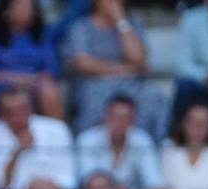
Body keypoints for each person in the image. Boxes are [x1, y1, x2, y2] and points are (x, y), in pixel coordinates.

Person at [61, 0, 162, 136]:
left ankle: (145, 146)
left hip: (130, 84)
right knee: (95, 97)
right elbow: (84, 64)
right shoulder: (81, 27)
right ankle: (90, 148)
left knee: (153, 96)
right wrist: (128, 69)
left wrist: (121, 22)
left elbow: (138, 58)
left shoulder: (133, 25)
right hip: (93, 84)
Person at [75, 93, 166, 189]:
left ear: (133, 121)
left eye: (125, 118)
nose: (119, 122)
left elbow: (155, 182)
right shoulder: (87, 139)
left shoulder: (142, 140)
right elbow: (88, 180)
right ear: (105, 117)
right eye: (114, 116)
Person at [0, 0, 63, 121]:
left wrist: (33, 81)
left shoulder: (44, 34)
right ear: (7, 11)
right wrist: (19, 79)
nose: (26, 10)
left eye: (29, 6)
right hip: (0, 86)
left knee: (49, 89)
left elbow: (52, 69)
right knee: (13, 97)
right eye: (20, 6)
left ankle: (59, 135)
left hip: (35, 86)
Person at [0, 85, 76, 189]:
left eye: (22, 110)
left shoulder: (57, 129)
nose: (17, 116)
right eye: (10, 112)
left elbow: (68, 179)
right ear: (0, 114)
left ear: (31, 109)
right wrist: (18, 152)